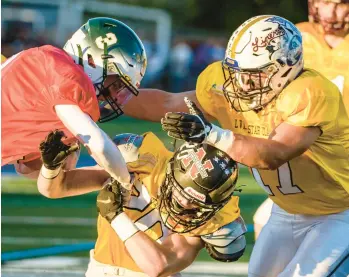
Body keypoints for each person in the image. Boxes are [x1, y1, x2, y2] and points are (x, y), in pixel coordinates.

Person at [124, 15, 349, 277]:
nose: (241, 84)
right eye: (237, 73)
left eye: (254, 75)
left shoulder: (310, 92)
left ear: (284, 69)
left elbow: (274, 153)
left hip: (338, 213)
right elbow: (166, 104)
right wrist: (107, 99)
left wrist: (211, 134)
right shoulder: (224, 86)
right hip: (286, 211)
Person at [37, 131, 247, 277]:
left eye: (196, 201)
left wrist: (116, 217)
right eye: (182, 192)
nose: (184, 202)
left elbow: (158, 267)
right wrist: (51, 167)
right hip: (101, 270)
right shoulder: (140, 161)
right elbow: (55, 188)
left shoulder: (215, 221)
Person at [1, 17, 147, 194]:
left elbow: (27, 169)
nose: (115, 96)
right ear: (93, 61)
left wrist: (53, 165)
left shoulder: (47, 70)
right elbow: (99, 145)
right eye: (116, 84)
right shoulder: (65, 75)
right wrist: (127, 182)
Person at [252, 0, 349, 241]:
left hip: (341, 162)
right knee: (263, 220)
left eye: (340, 3)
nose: (329, 13)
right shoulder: (296, 36)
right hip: (310, 159)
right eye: (324, 2)